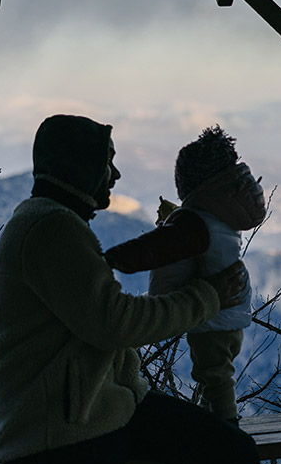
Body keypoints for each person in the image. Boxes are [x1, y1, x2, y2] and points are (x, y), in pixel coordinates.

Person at [0, 114, 260, 464]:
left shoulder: (54, 221)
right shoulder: (50, 229)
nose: (115, 175)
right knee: (233, 453)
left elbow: (105, 317)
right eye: (107, 162)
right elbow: (115, 323)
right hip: (55, 432)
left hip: (103, 409)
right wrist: (209, 296)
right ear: (82, 166)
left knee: (235, 452)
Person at [108, 125, 265, 423]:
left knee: (214, 375)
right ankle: (214, 422)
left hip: (215, 317)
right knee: (215, 375)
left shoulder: (195, 224)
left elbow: (157, 248)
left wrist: (115, 258)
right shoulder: (220, 218)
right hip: (233, 314)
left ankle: (226, 426)